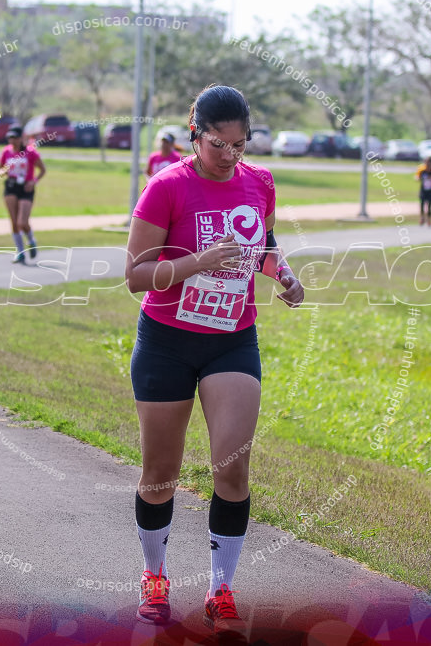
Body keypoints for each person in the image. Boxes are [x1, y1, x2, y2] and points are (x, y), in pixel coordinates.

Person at [124, 84, 304, 635]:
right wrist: (197, 261)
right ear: (194, 131)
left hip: (232, 339)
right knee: (160, 475)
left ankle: (220, 587)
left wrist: (283, 274)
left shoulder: (259, 182)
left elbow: (262, 244)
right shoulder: (167, 188)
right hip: (167, 340)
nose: (230, 156)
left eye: (241, 144)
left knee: (233, 468)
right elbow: (135, 277)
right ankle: (155, 576)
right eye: (219, 144)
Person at [0, 126, 46, 264]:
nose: (13, 140)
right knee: (13, 221)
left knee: (22, 222)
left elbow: (42, 170)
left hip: (26, 188)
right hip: (11, 187)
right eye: (10, 137)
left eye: (15, 137)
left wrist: (34, 182)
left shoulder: (30, 152)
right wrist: (3, 172)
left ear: (21, 138)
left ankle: (31, 240)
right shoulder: (6, 151)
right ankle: (20, 252)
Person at [415, 156, 431, 226]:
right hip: (423, 189)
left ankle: (429, 219)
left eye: (429, 164)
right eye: (426, 164)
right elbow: (417, 177)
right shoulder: (422, 170)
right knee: (422, 204)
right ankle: (422, 218)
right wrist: (419, 178)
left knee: (429, 206)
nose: (427, 165)